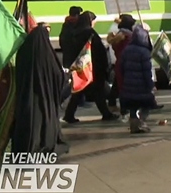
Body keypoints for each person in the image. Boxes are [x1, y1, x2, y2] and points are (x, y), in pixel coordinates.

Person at [11, 25, 70, 154]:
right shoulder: (47, 54)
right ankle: (43, 146)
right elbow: (57, 74)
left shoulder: (24, 50)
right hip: (44, 98)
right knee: (43, 124)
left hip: (26, 97)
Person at [63, 12, 119, 123]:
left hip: (82, 67)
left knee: (80, 91)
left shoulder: (75, 32)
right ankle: (106, 114)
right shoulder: (89, 33)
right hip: (93, 67)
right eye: (93, 21)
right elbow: (98, 51)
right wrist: (104, 66)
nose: (94, 24)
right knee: (97, 91)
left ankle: (69, 115)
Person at [118, 27, 157, 134]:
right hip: (142, 85)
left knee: (133, 106)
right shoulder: (144, 52)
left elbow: (121, 67)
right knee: (146, 105)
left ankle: (134, 125)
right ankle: (141, 122)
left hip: (129, 84)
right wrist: (151, 85)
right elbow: (147, 72)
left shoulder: (126, 49)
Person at [106, 14, 137, 114]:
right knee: (126, 87)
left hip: (120, 63)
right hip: (127, 64)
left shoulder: (120, 35)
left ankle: (118, 106)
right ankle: (125, 109)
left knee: (120, 86)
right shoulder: (127, 36)